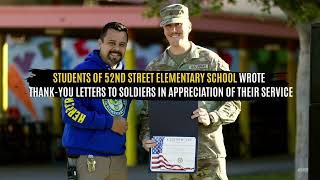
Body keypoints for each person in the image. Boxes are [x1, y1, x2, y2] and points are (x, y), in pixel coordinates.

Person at [139, 4, 241, 180]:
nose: (173, 30)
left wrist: (211, 116)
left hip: (207, 155)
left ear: (189, 26)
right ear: (163, 30)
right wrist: (146, 136)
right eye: (168, 26)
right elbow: (148, 112)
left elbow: (233, 102)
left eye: (178, 24)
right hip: (168, 155)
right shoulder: (154, 68)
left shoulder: (211, 62)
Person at [62, 22, 130, 180]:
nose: (116, 48)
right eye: (111, 43)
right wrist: (109, 123)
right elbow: (70, 112)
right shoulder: (81, 73)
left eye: (122, 44)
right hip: (88, 159)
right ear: (100, 43)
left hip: (118, 158)